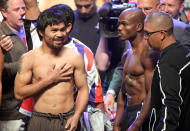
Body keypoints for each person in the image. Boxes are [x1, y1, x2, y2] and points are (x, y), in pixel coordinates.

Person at [104, 0, 190, 119]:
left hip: (166, 106)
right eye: (140, 9)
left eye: (147, 9)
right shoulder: (132, 31)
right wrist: (111, 92)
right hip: (132, 107)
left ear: (160, 7)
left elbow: (183, 69)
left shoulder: (180, 30)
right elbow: (125, 67)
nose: (143, 13)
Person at [14, 4, 89, 131]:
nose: (60, 34)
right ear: (41, 32)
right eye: (54, 30)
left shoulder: (74, 57)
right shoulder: (29, 59)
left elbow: (83, 90)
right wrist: (50, 79)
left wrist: (77, 116)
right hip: (40, 120)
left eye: (62, 29)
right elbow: (19, 93)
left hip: (68, 119)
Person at [112, 8, 158, 131]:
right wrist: (117, 122)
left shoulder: (148, 53)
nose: (119, 28)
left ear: (138, 27)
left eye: (124, 24)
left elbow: (152, 92)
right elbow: (123, 91)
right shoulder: (127, 54)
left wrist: (137, 124)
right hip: (128, 110)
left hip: (143, 113)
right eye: (119, 24)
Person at [144, 11, 190, 131]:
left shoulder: (167, 64)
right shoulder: (184, 52)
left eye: (147, 33)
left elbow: (170, 106)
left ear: (162, 34)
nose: (145, 37)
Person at [0, 0, 30, 130]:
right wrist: (26, 65)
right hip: (11, 114)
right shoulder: (1, 36)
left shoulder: (29, 30)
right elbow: (2, 72)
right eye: (16, 9)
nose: (22, 12)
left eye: (23, 8)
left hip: (31, 111)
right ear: (4, 12)